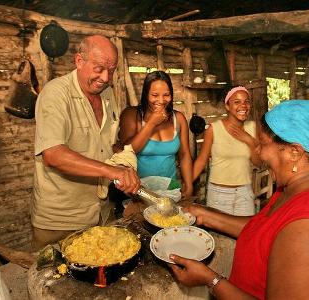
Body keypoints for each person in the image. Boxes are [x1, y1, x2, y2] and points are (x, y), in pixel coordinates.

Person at [169, 100, 309, 300]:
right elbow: (266, 229)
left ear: (294, 152)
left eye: (262, 144)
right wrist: (204, 215)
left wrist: (211, 280)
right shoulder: (303, 183)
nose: (258, 152)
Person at [31, 35, 140, 251]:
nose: (105, 78)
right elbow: (53, 154)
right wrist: (112, 172)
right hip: (61, 220)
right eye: (99, 68)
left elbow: (108, 143)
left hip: (101, 212)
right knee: (53, 280)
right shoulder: (56, 93)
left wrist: (124, 163)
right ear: (79, 61)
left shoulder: (108, 95)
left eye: (111, 70)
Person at [116, 71, 193, 198]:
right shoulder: (131, 115)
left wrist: (189, 185)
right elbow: (127, 151)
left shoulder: (178, 119)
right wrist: (151, 123)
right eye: (155, 95)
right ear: (146, 94)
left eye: (166, 95)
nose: (161, 101)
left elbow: (184, 155)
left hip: (169, 190)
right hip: (138, 192)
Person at [193, 86, 260, 216]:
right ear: (227, 106)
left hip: (244, 193)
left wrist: (250, 141)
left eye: (246, 101)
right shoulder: (213, 129)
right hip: (219, 193)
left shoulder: (253, 128)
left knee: (245, 233)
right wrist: (188, 184)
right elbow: (201, 161)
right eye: (237, 102)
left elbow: (258, 163)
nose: (243, 105)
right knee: (219, 235)